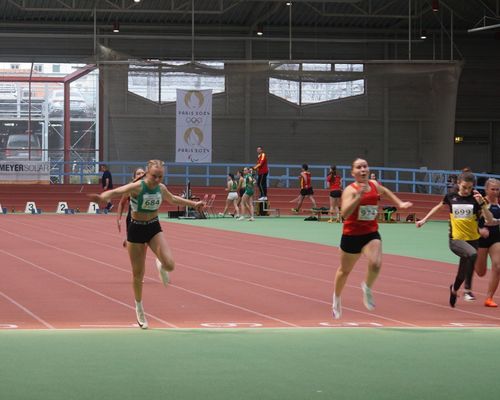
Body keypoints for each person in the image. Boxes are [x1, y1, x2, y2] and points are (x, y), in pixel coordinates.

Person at [89, 159, 205, 329]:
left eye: (160, 177)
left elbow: (172, 199)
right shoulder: (137, 187)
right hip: (136, 230)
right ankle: (139, 308)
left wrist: (194, 204)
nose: (157, 180)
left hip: (153, 227)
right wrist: (102, 197)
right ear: (146, 174)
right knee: (138, 275)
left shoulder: (161, 188)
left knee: (170, 265)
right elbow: (117, 192)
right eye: (154, 176)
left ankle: (160, 264)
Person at [332, 158, 413, 319]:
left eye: (365, 166)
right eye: (359, 167)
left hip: (370, 233)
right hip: (351, 235)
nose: (363, 169)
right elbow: (344, 214)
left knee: (376, 263)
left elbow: (385, 191)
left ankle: (367, 288)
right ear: (353, 172)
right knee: (344, 271)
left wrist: (400, 203)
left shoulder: (374, 185)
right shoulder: (350, 190)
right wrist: (358, 197)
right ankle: (337, 298)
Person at [416, 171, 494, 308]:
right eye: (464, 187)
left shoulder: (476, 199)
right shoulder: (451, 197)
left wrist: (482, 204)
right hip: (456, 240)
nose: (467, 190)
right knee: (473, 254)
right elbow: (438, 207)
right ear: (458, 183)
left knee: (462, 273)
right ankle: (468, 290)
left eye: (470, 188)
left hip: (472, 240)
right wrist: (424, 219)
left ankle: (454, 290)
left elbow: (489, 219)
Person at [474, 178, 500, 307]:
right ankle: (470, 259)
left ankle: (489, 298)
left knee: (498, 266)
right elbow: (471, 221)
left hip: (496, 238)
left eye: (497, 189)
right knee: (480, 272)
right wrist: (479, 230)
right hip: (481, 238)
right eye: (493, 189)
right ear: (486, 190)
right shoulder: (480, 202)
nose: (495, 192)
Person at [117, 167, 146, 247]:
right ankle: (128, 240)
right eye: (138, 173)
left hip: (146, 219)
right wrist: (118, 219)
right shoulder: (130, 188)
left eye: (143, 173)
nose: (141, 175)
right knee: (133, 245)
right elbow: (121, 203)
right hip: (132, 219)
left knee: (144, 244)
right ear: (134, 177)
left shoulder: (149, 187)